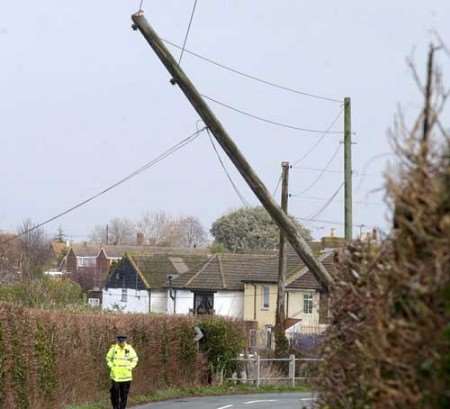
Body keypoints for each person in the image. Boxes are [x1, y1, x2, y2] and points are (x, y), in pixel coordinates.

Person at [106, 335, 138, 409]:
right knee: (115, 393)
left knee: (124, 395)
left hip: (126, 377)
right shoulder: (113, 349)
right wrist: (111, 366)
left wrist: (130, 367)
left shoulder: (129, 349)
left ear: (125, 341)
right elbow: (108, 358)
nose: (121, 343)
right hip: (115, 376)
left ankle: (122, 407)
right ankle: (116, 407)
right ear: (117, 341)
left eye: (122, 341)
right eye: (119, 341)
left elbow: (135, 359)